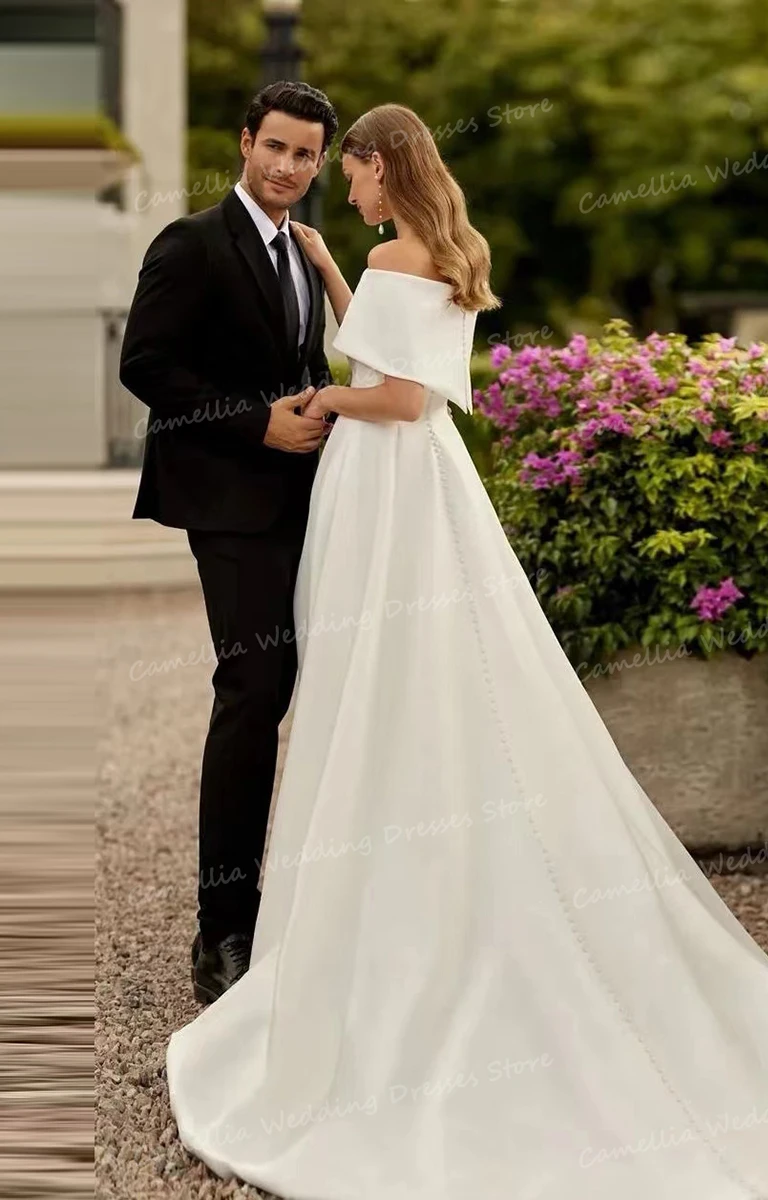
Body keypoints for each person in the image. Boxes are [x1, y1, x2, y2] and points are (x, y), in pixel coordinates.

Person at [164, 103, 768, 1200]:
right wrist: (339, 281)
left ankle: (376, 896)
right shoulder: (441, 252)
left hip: (378, 483)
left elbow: (396, 391)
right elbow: (401, 345)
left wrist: (324, 393)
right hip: (423, 486)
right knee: (430, 676)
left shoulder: (394, 249)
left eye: (351, 171)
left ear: (379, 165)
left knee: (372, 682)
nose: (340, 187)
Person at [120, 81, 339, 1005]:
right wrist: (259, 426)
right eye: (275, 147)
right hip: (230, 501)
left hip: (308, 497)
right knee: (252, 690)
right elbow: (147, 366)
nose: (288, 167)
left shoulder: (305, 253)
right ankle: (223, 933)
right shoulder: (191, 243)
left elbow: (305, 365)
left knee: (296, 686)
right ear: (245, 143)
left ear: (321, 162)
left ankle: (297, 904)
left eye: (306, 155)